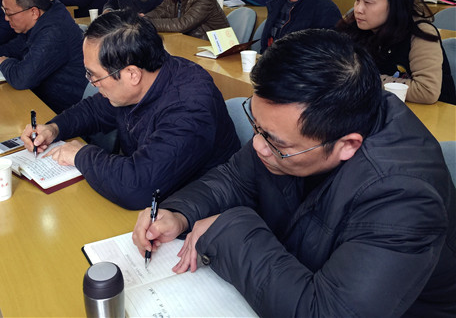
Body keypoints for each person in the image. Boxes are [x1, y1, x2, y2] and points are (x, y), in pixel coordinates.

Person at [131, 28, 456, 317]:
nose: (258, 145)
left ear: (347, 145)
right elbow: (233, 178)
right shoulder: (303, 123)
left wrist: (227, 229)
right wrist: (179, 213)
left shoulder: (405, 197)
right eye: (256, 126)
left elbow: (327, 311)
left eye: (275, 142)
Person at [20, 11, 240, 209]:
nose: (91, 82)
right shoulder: (143, 73)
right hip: (152, 199)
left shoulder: (190, 106)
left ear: (132, 74)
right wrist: (54, 128)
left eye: (94, 75)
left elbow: (138, 187)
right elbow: (94, 110)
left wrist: (80, 155)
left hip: (190, 214)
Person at [338, 0, 455, 104]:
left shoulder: (420, 33)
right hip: (376, 106)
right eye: (357, 0)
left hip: (430, 113)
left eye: (368, 2)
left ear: (395, 4)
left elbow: (426, 91)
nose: (358, 9)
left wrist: (360, 79)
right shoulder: (354, 27)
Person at [0, 0, 86, 113]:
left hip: (62, 110)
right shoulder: (44, 18)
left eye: (9, 13)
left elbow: (23, 78)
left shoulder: (54, 31)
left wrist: (4, 63)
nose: (6, 18)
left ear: (33, 12)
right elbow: (15, 46)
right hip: (42, 100)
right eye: (4, 11)